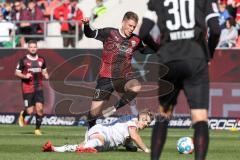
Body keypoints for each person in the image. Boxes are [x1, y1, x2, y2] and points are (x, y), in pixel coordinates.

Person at [138, 0, 221, 160]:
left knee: (163, 114)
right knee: (200, 117)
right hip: (195, 59)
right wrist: (208, 54)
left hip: (168, 60)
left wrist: (160, 50)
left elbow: (143, 33)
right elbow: (216, 30)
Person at [82, 11, 158, 128]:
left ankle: (113, 109)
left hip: (124, 77)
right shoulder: (109, 33)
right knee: (93, 113)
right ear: (123, 23)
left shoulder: (136, 40)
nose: (132, 29)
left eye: (134, 26)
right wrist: (86, 25)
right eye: (129, 25)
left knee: (136, 86)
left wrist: (155, 44)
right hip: (105, 78)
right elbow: (90, 34)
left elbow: (147, 50)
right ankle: (90, 133)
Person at [42, 111, 153, 153]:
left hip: (104, 139)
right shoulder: (132, 120)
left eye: (148, 124)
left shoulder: (130, 127)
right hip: (102, 131)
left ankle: (53, 148)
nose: (146, 125)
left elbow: (129, 145)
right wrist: (146, 149)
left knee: (83, 146)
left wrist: (137, 149)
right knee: (98, 141)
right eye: (146, 122)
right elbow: (134, 136)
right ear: (141, 119)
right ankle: (84, 148)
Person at [15, 40, 49, 136]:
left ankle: (37, 129)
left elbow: (44, 71)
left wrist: (46, 75)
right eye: (31, 47)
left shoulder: (41, 59)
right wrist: (25, 76)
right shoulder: (23, 60)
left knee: (40, 108)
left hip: (39, 87)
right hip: (27, 87)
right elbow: (17, 72)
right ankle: (23, 114)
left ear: (37, 48)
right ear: (28, 48)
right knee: (29, 111)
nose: (33, 48)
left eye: (34, 47)